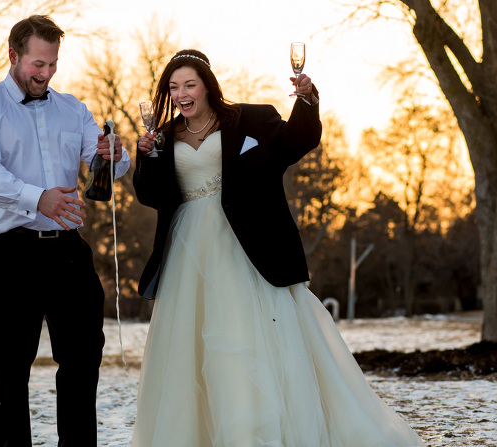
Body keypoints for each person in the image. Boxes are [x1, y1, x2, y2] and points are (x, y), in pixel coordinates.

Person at [132, 49, 424, 446]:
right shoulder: (164, 137)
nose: (182, 94)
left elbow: (296, 142)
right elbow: (151, 195)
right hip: (188, 255)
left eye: (189, 85)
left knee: (242, 341)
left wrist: (307, 99)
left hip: (252, 249)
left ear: (206, 86)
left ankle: (254, 434)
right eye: (173, 87)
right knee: (191, 349)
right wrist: (146, 157)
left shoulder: (250, 119)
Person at [0, 14, 130, 447]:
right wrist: (39, 198)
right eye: (38, 64)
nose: (46, 73)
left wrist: (115, 153)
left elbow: (111, 166)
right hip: (8, 251)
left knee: (83, 356)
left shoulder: (73, 109)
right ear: (13, 56)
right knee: (12, 364)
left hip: (67, 250)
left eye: (52, 64)